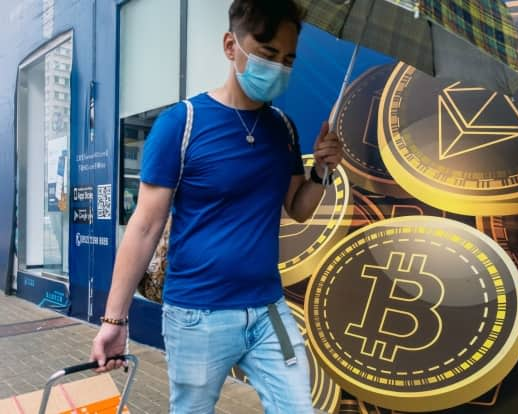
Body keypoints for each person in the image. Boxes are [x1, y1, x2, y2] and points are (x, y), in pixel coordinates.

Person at [89, 0, 343, 412]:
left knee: (299, 406)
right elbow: (145, 226)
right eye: (267, 53)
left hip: (268, 311)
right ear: (231, 45)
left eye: (288, 58)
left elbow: (298, 208)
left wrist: (322, 172)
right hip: (197, 315)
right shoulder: (182, 123)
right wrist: (114, 321)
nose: (278, 67)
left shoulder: (284, 129)